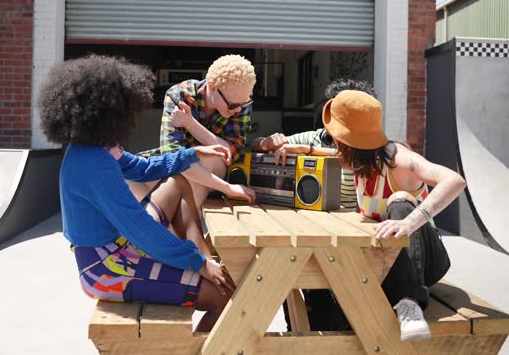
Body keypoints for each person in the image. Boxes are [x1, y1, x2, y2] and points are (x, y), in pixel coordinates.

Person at [38, 55, 235, 331]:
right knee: (223, 296)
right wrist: (195, 263)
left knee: (178, 181)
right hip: (107, 268)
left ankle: (201, 254)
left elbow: (141, 168)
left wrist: (193, 154)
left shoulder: (96, 147)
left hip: (117, 246)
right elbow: (139, 228)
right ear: (109, 112)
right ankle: (200, 260)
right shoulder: (94, 165)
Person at [322, 90, 466, 341]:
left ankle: (410, 303)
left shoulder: (398, 160)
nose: (331, 143)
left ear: (349, 143)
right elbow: (327, 155)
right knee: (322, 293)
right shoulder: (359, 161)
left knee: (400, 201)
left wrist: (410, 221)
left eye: (334, 138)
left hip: (423, 264)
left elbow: (454, 180)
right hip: (383, 265)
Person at [136, 54, 257, 216]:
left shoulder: (239, 104)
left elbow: (230, 152)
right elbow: (173, 156)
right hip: (181, 171)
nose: (238, 110)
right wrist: (227, 188)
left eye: (245, 103)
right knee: (131, 174)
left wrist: (191, 124)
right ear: (213, 87)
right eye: (233, 105)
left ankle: (177, 231)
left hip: (211, 169)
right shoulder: (179, 95)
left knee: (205, 158)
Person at [251, 78, 376, 210]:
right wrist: (266, 143)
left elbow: (350, 159)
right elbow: (255, 145)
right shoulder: (314, 137)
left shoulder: (370, 148)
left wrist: (308, 150)